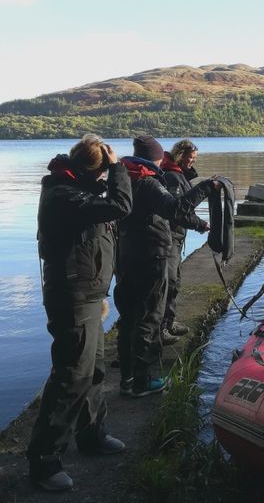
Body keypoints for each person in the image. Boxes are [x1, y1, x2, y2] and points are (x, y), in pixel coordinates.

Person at [27, 135, 133, 493]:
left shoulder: (77, 190)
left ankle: (92, 435)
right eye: (102, 173)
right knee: (71, 375)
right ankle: (44, 460)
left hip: (89, 294)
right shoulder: (64, 195)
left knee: (95, 371)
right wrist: (118, 169)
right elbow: (121, 206)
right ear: (93, 170)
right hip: (72, 297)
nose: (104, 180)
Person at [114, 135, 219, 398]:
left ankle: (126, 378)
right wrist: (206, 187)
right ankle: (144, 380)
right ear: (155, 157)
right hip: (150, 257)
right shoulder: (148, 182)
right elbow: (175, 208)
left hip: (126, 257)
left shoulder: (123, 178)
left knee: (128, 319)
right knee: (149, 317)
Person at [160, 140, 209, 345]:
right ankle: (162, 328)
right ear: (179, 155)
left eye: (194, 159)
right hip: (169, 238)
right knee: (168, 283)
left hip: (177, 238)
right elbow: (178, 213)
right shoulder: (171, 177)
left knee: (175, 281)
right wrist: (200, 224)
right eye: (189, 158)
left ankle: (169, 322)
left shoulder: (179, 175)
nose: (191, 162)